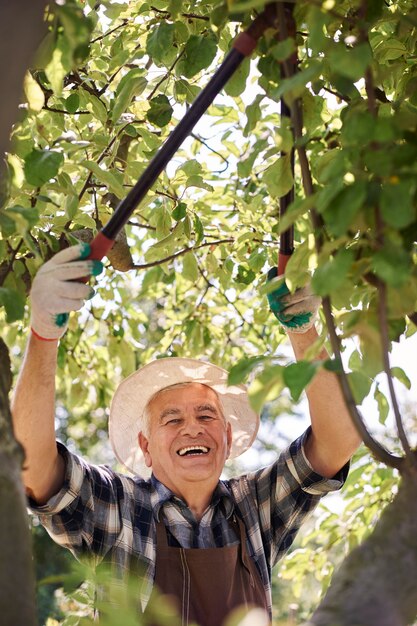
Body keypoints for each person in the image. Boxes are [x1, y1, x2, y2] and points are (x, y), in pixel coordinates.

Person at [11, 243, 361, 625]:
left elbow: (340, 440)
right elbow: (29, 464)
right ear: (146, 447)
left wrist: (305, 332)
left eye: (206, 415)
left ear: (227, 439)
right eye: (172, 420)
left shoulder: (254, 508)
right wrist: (43, 334)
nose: (192, 427)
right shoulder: (119, 506)